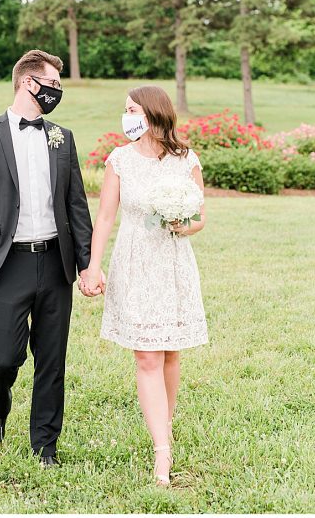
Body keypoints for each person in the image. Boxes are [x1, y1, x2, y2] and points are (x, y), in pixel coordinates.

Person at [0, 49, 95, 465]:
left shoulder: (62, 137)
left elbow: (77, 205)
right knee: (3, 357)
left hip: (55, 263)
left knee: (51, 359)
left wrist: (86, 264)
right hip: (6, 263)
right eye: (53, 84)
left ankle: (45, 447)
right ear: (28, 83)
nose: (58, 92)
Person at [84, 85, 208, 486]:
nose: (127, 116)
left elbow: (201, 218)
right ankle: (162, 453)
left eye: (132, 108)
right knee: (147, 357)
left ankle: (164, 429)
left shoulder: (186, 159)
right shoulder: (120, 160)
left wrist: (181, 223)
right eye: (125, 110)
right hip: (135, 261)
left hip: (173, 263)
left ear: (154, 113)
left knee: (170, 355)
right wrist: (93, 266)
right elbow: (104, 217)